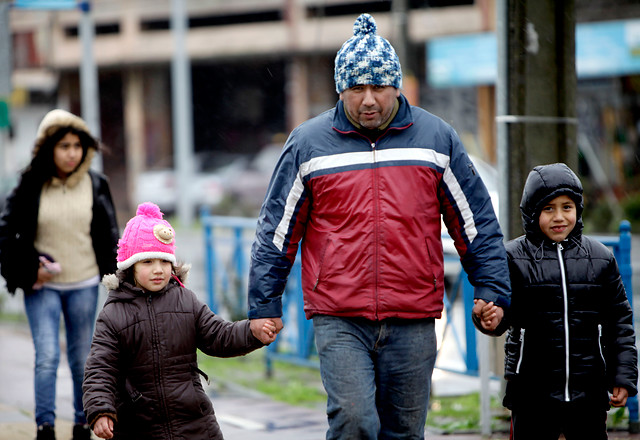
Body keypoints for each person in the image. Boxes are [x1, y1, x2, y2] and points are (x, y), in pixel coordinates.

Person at [247, 13, 511, 439]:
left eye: (379, 87)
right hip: (339, 315)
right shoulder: (308, 144)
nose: (368, 100)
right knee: (354, 422)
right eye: (356, 88)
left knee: (404, 432)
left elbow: (475, 222)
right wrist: (264, 304)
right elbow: (277, 230)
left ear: (397, 85)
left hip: (413, 314)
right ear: (340, 89)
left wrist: (492, 289)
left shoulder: (436, 139)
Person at [82, 202, 276, 440]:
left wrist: (251, 332)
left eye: (164, 261)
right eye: (147, 262)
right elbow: (101, 368)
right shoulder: (113, 314)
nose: (158, 269)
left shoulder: (185, 300)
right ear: (130, 266)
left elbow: (219, 336)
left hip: (194, 421)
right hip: (139, 425)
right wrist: (101, 409)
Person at [478, 163, 638, 439]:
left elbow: (619, 322)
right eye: (548, 208)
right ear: (532, 212)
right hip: (531, 392)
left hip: (588, 389)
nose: (559, 217)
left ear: (578, 208)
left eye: (567, 206)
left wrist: (623, 375)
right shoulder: (513, 258)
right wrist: (490, 318)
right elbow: (500, 311)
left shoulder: (600, 259)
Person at [0, 109, 120, 440]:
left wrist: (119, 283)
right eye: (63, 145)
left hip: (83, 284)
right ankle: (45, 426)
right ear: (49, 147)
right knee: (48, 357)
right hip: (43, 286)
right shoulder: (29, 184)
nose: (71, 153)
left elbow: (110, 237)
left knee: (82, 358)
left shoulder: (96, 184)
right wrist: (26, 273)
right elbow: (6, 234)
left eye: (77, 145)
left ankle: (82, 424)